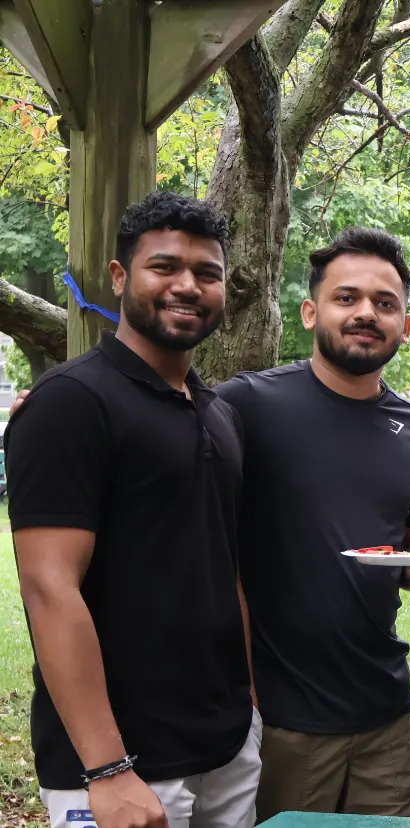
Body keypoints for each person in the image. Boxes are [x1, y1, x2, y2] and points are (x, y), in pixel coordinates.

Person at [6, 192, 259, 828]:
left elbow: (225, 567)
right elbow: (48, 586)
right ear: (120, 277)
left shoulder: (218, 413)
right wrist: (108, 769)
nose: (188, 286)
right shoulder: (70, 404)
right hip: (121, 767)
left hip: (226, 746)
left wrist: (249, 707)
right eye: (164, 267)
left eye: (207, 273)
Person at [215, 228, 410, 820]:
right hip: (283, 715)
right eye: (346, 297)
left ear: (405, 325)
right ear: (311, 312)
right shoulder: (247, 404)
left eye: (385, 304)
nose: (365, 314)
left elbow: (403, 550)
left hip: (385, 709)